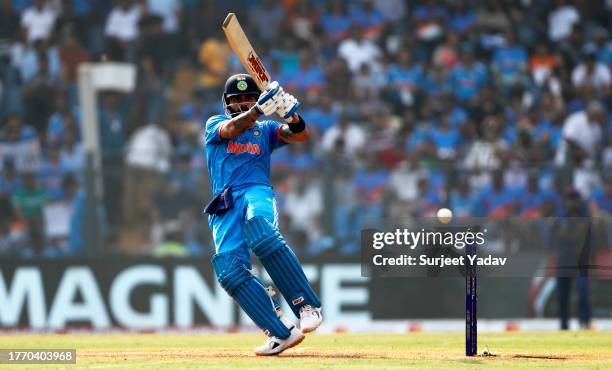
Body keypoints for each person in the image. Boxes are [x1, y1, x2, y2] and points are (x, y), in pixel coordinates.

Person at [203, 74, 322, 355]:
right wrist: (257, 110)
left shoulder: (266, 129)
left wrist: (292, 115)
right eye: (237, 100)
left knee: (261, 231)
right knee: (229, 271)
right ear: (227, 103)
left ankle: (306, 305)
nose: (243, 102)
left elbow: (301, 134)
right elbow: (233, 129)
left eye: (249, 98)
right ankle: (281, 333)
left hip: (256, 190)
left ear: (257, 98)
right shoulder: (215, 124)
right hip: (224, 202)